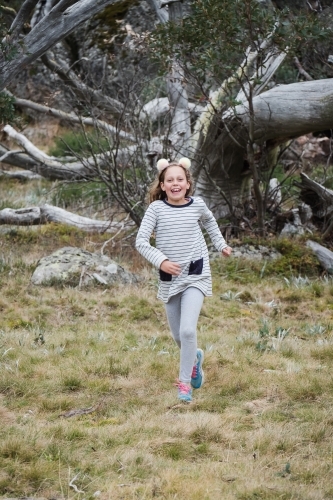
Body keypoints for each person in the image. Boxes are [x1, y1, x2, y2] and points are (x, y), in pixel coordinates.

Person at [135, 157, 232, 403]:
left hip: (196, 274)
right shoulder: (156, 209)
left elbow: (209, 221)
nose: (175, 183)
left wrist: (220, 244)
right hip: (169, 279)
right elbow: (141, 242)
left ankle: (185, 384)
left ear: (188, 183)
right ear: (163, 185)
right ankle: (195, 359)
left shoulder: (197, 205)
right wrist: (161, 261)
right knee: (179, 337)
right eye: (170, 180)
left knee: (188, 330)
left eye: (180, 179)